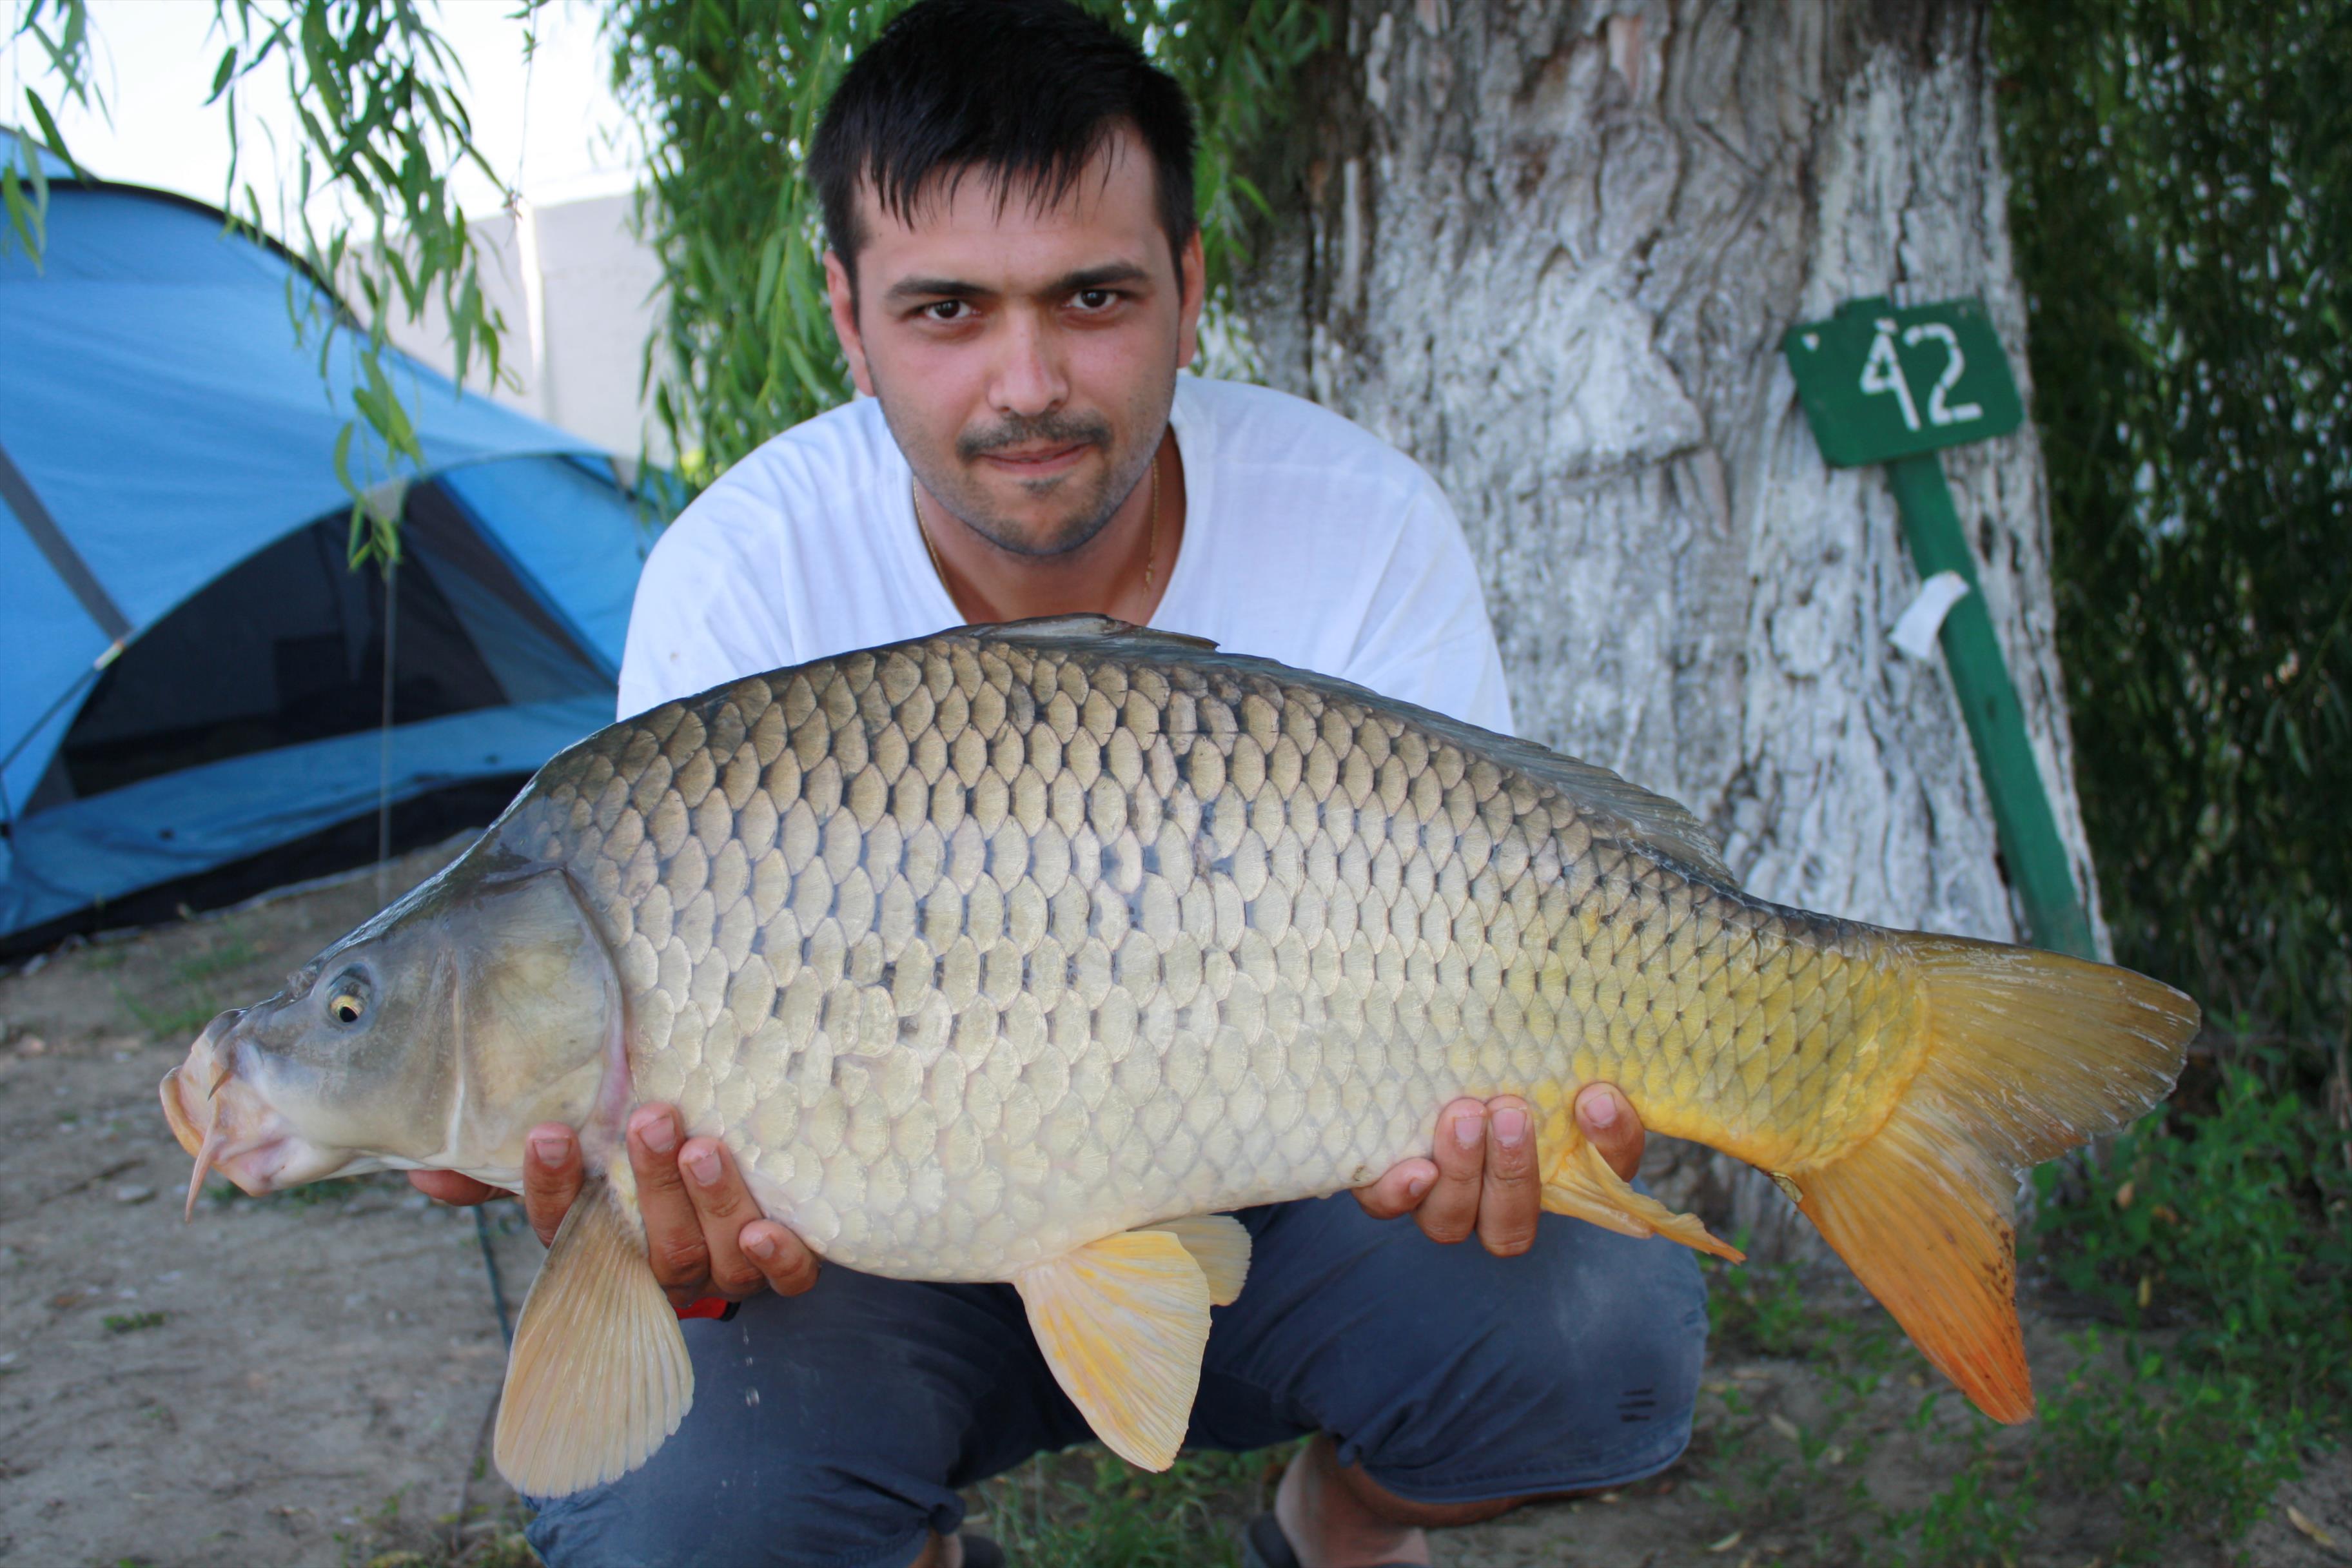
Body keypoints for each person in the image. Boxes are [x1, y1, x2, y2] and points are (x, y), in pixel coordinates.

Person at [416, 3, 1707, 1563]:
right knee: (687, 1513)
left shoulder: (1361, 524)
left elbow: (1499, 935)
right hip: (867, 1246)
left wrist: (1537, 1114)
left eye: (1092, 297)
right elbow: (682, 1137)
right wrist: (665, 1218)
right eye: (946, 309)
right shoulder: (740, 579)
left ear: (1189, 291)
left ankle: (1341, 1529)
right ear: (846, 313)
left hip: (1288, 1197)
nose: (1027, 381)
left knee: (1596, 1321)